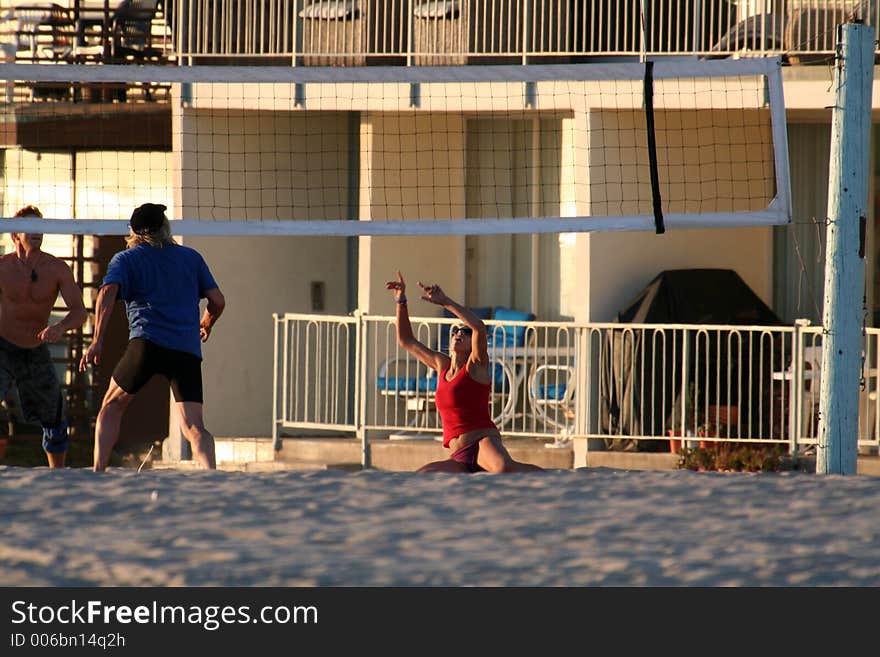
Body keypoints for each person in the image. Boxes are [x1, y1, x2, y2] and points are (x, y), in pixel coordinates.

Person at [79, 203, 225, 472]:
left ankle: (98, 471)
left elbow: (106, 293)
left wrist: (98, 339)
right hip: (185, 351)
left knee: (111, 406)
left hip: (147, 345)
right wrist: (206, 323)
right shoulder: (191, 257)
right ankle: (210, 474)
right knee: (194, 426)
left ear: (133, 231)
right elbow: (217, 301)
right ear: (164, 227)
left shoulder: (126, 259)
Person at [386, 271, 543, 473]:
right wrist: (401, 300)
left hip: (483, 443)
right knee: (422, 475)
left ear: (472, 344)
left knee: (503, 469)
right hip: (459, 456)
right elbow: (406, 340)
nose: (459, 333)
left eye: (465, 332)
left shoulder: (476, 365)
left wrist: (445, 302)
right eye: (456, 331)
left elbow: (478, 327)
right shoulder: (441, 365)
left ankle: (550, 478)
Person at [0, 205, 88, 468]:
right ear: (15, 234)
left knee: (54, 415)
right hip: (3, 346)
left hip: (35, 348)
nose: (37, 233)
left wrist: (60, 327)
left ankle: (57, 474)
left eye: (40, 228)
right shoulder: (3, 267)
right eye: (30, 228)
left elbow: (80, 312)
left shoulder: (57, 268)